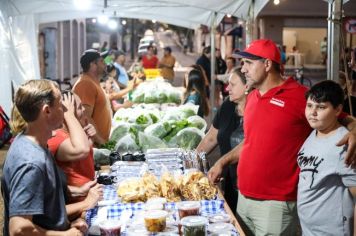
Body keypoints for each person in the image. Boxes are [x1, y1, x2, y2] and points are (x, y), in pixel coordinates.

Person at [208, 39, 356, 235]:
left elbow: (344, 118)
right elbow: (251, 142)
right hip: (243, 197)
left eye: (248, 63)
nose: (243, 69)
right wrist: (222, 161)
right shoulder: (253, 97)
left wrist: (354, 131)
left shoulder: (300, 96)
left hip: (276, 205)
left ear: (267, 64)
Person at [1, 79, 86, 235]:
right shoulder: (31, 162)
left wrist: (67, 222)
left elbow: (43, 199)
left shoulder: (33, 142)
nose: (65, 109)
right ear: (47, 111)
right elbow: (18, 228)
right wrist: (63, 234)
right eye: (61, 104)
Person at [297, 80, 356, 235]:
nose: (313, 112)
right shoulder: (315, 132)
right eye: (309, 106)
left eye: (321, 107)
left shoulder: (343, 144)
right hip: (309, 229)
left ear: (338, 110)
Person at [197, 67, 246, 213]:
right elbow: (211, 138)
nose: (227, 88)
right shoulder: (227, 106)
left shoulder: (257, 110)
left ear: (247, 86)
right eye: (228, 83)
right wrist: (191, 160)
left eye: (233, 84)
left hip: (247, 185)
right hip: (227, 180)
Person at [47, 92, 96, 199]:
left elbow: (82, 163)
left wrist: (90, 139)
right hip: (76, 201)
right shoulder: (57, 137)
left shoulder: (73, 133)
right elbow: (82, 150)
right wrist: (69, 114)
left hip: (88, 194)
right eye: (79, 107)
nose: (83, 109)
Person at [73, 49, 111, 146]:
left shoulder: (93, 82)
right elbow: (84, 117)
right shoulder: (85, 84)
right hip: (94, 146)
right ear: (92, 65)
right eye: (102, 61)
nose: (105, 64)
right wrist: (101, 142)